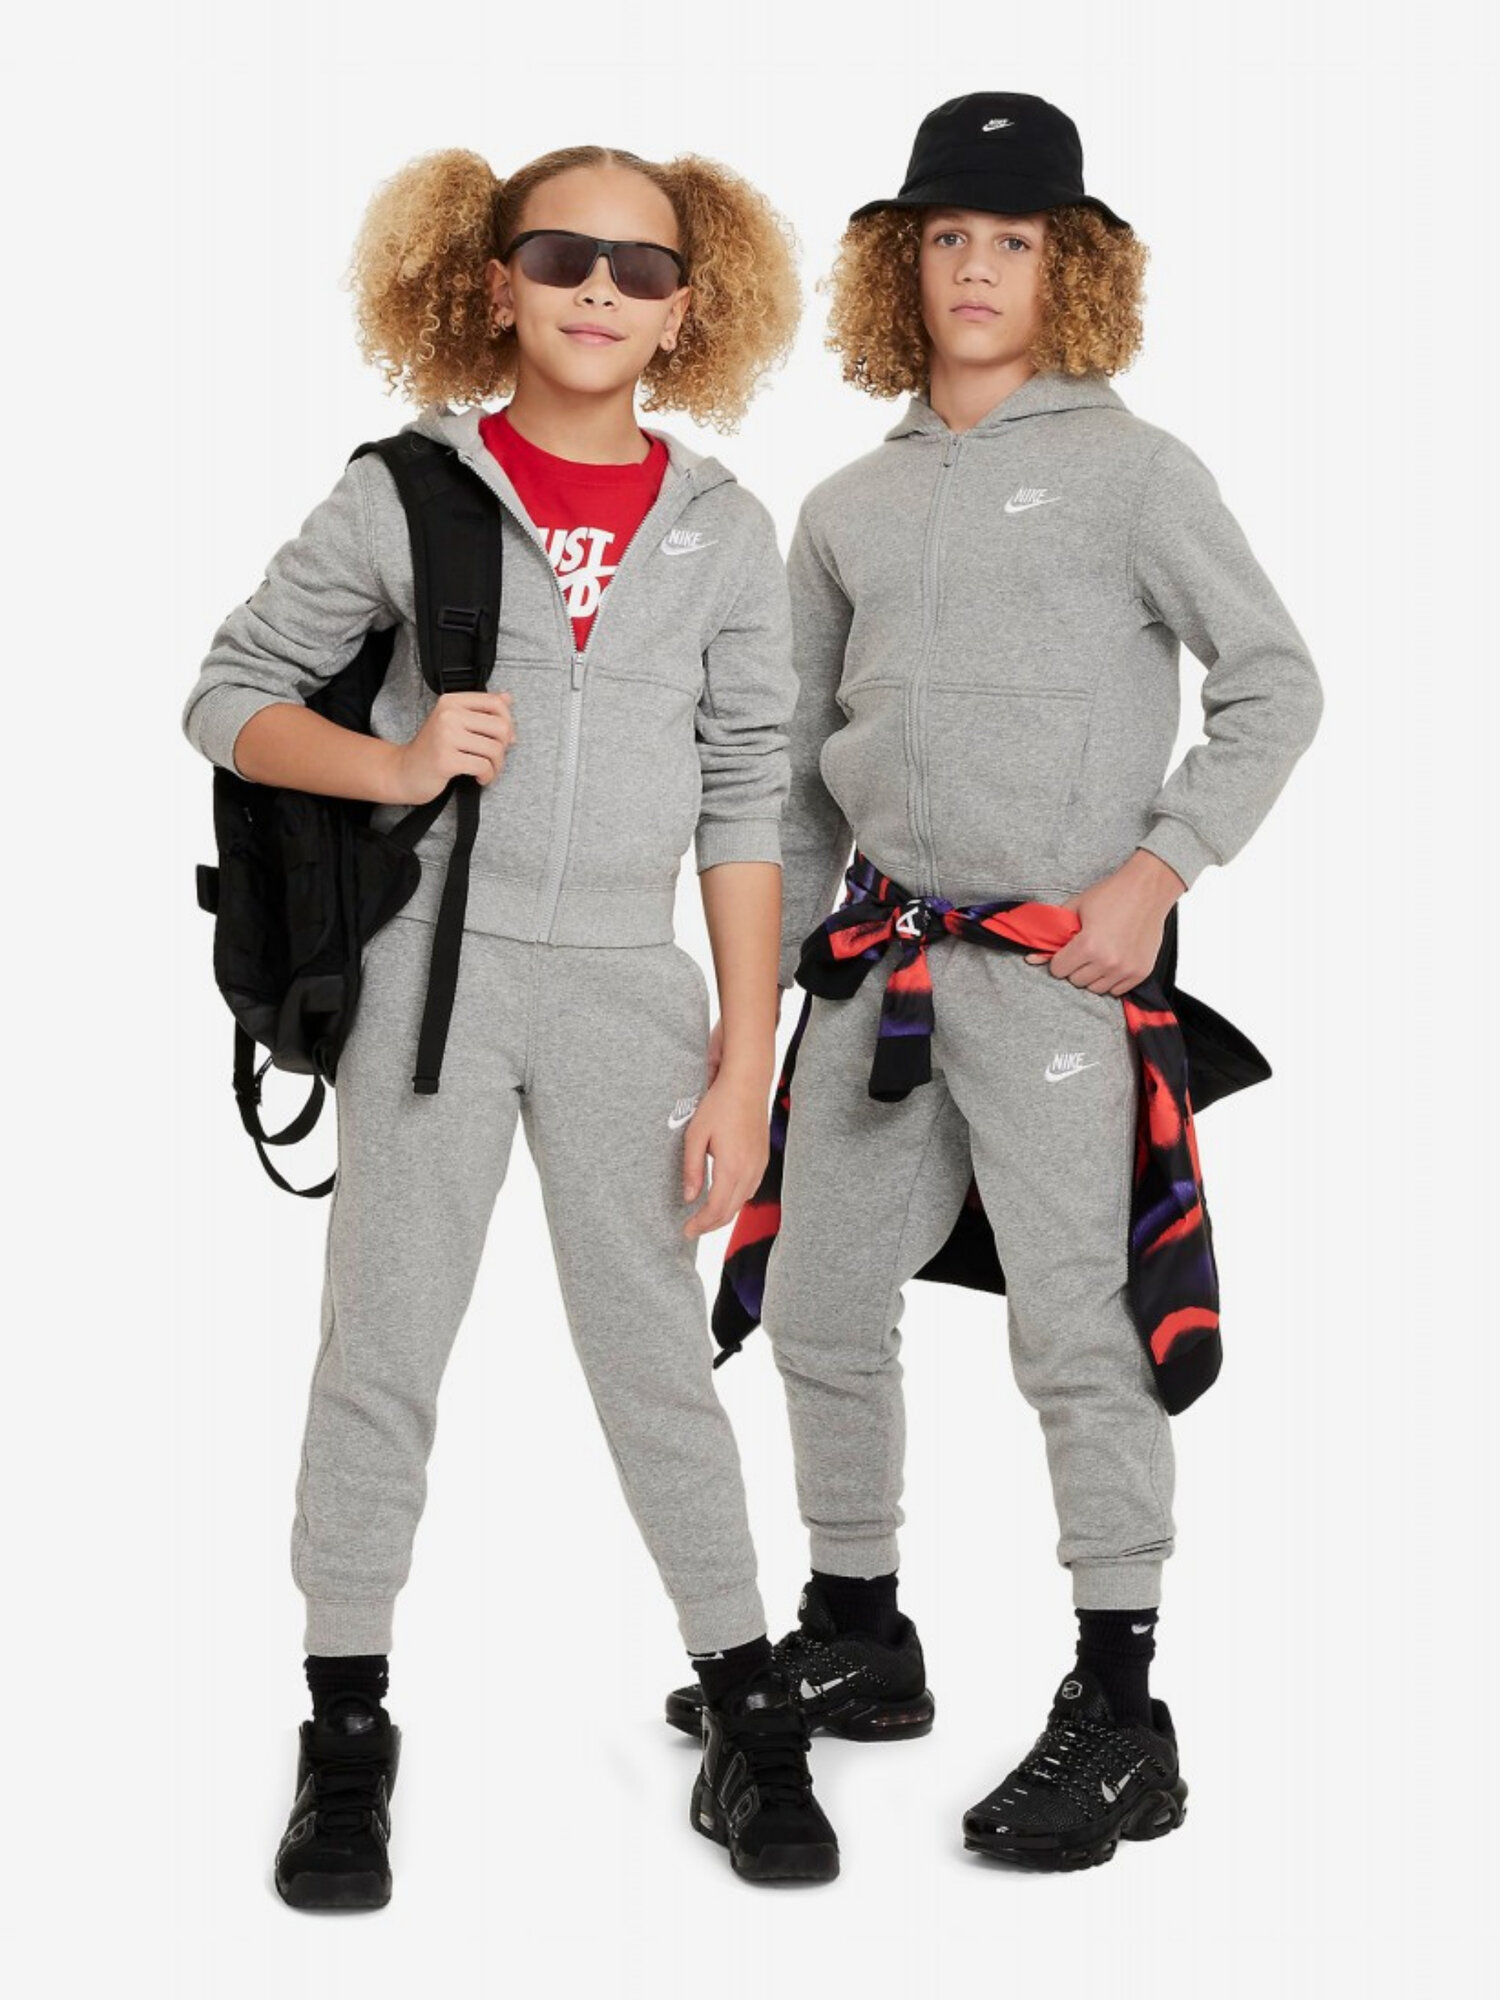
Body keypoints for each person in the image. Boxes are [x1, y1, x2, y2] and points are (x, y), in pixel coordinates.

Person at [665, 91, 1323, 1871]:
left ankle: (1122, 1708)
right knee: (818, 1304)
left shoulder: (1138, 474)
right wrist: (760, 1002)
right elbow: (791, 772)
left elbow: (1274, 680)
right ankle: (861, 1630)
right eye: (945, 237)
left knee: (1078, 1330)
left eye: (1012, 241)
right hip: (877, 974)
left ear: (1070, 267)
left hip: (1054, 976)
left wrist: (1157, 871)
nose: (974, 268)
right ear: (901, 263)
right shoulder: (846, 504)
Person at [182, 141, 840, 1904]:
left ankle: (747, 1701)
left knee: (655, 1356)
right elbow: (227, 693)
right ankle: (345, 1728)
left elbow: (747, 799)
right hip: (432, 983)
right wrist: (396, 763)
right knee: (384, 1347)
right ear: (493, 282)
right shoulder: (408, 493)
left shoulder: (726, 527)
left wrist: (745, 1065)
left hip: (631, 987)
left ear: (690, 309)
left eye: (643, 268)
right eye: (563, 257)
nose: (601, 291)